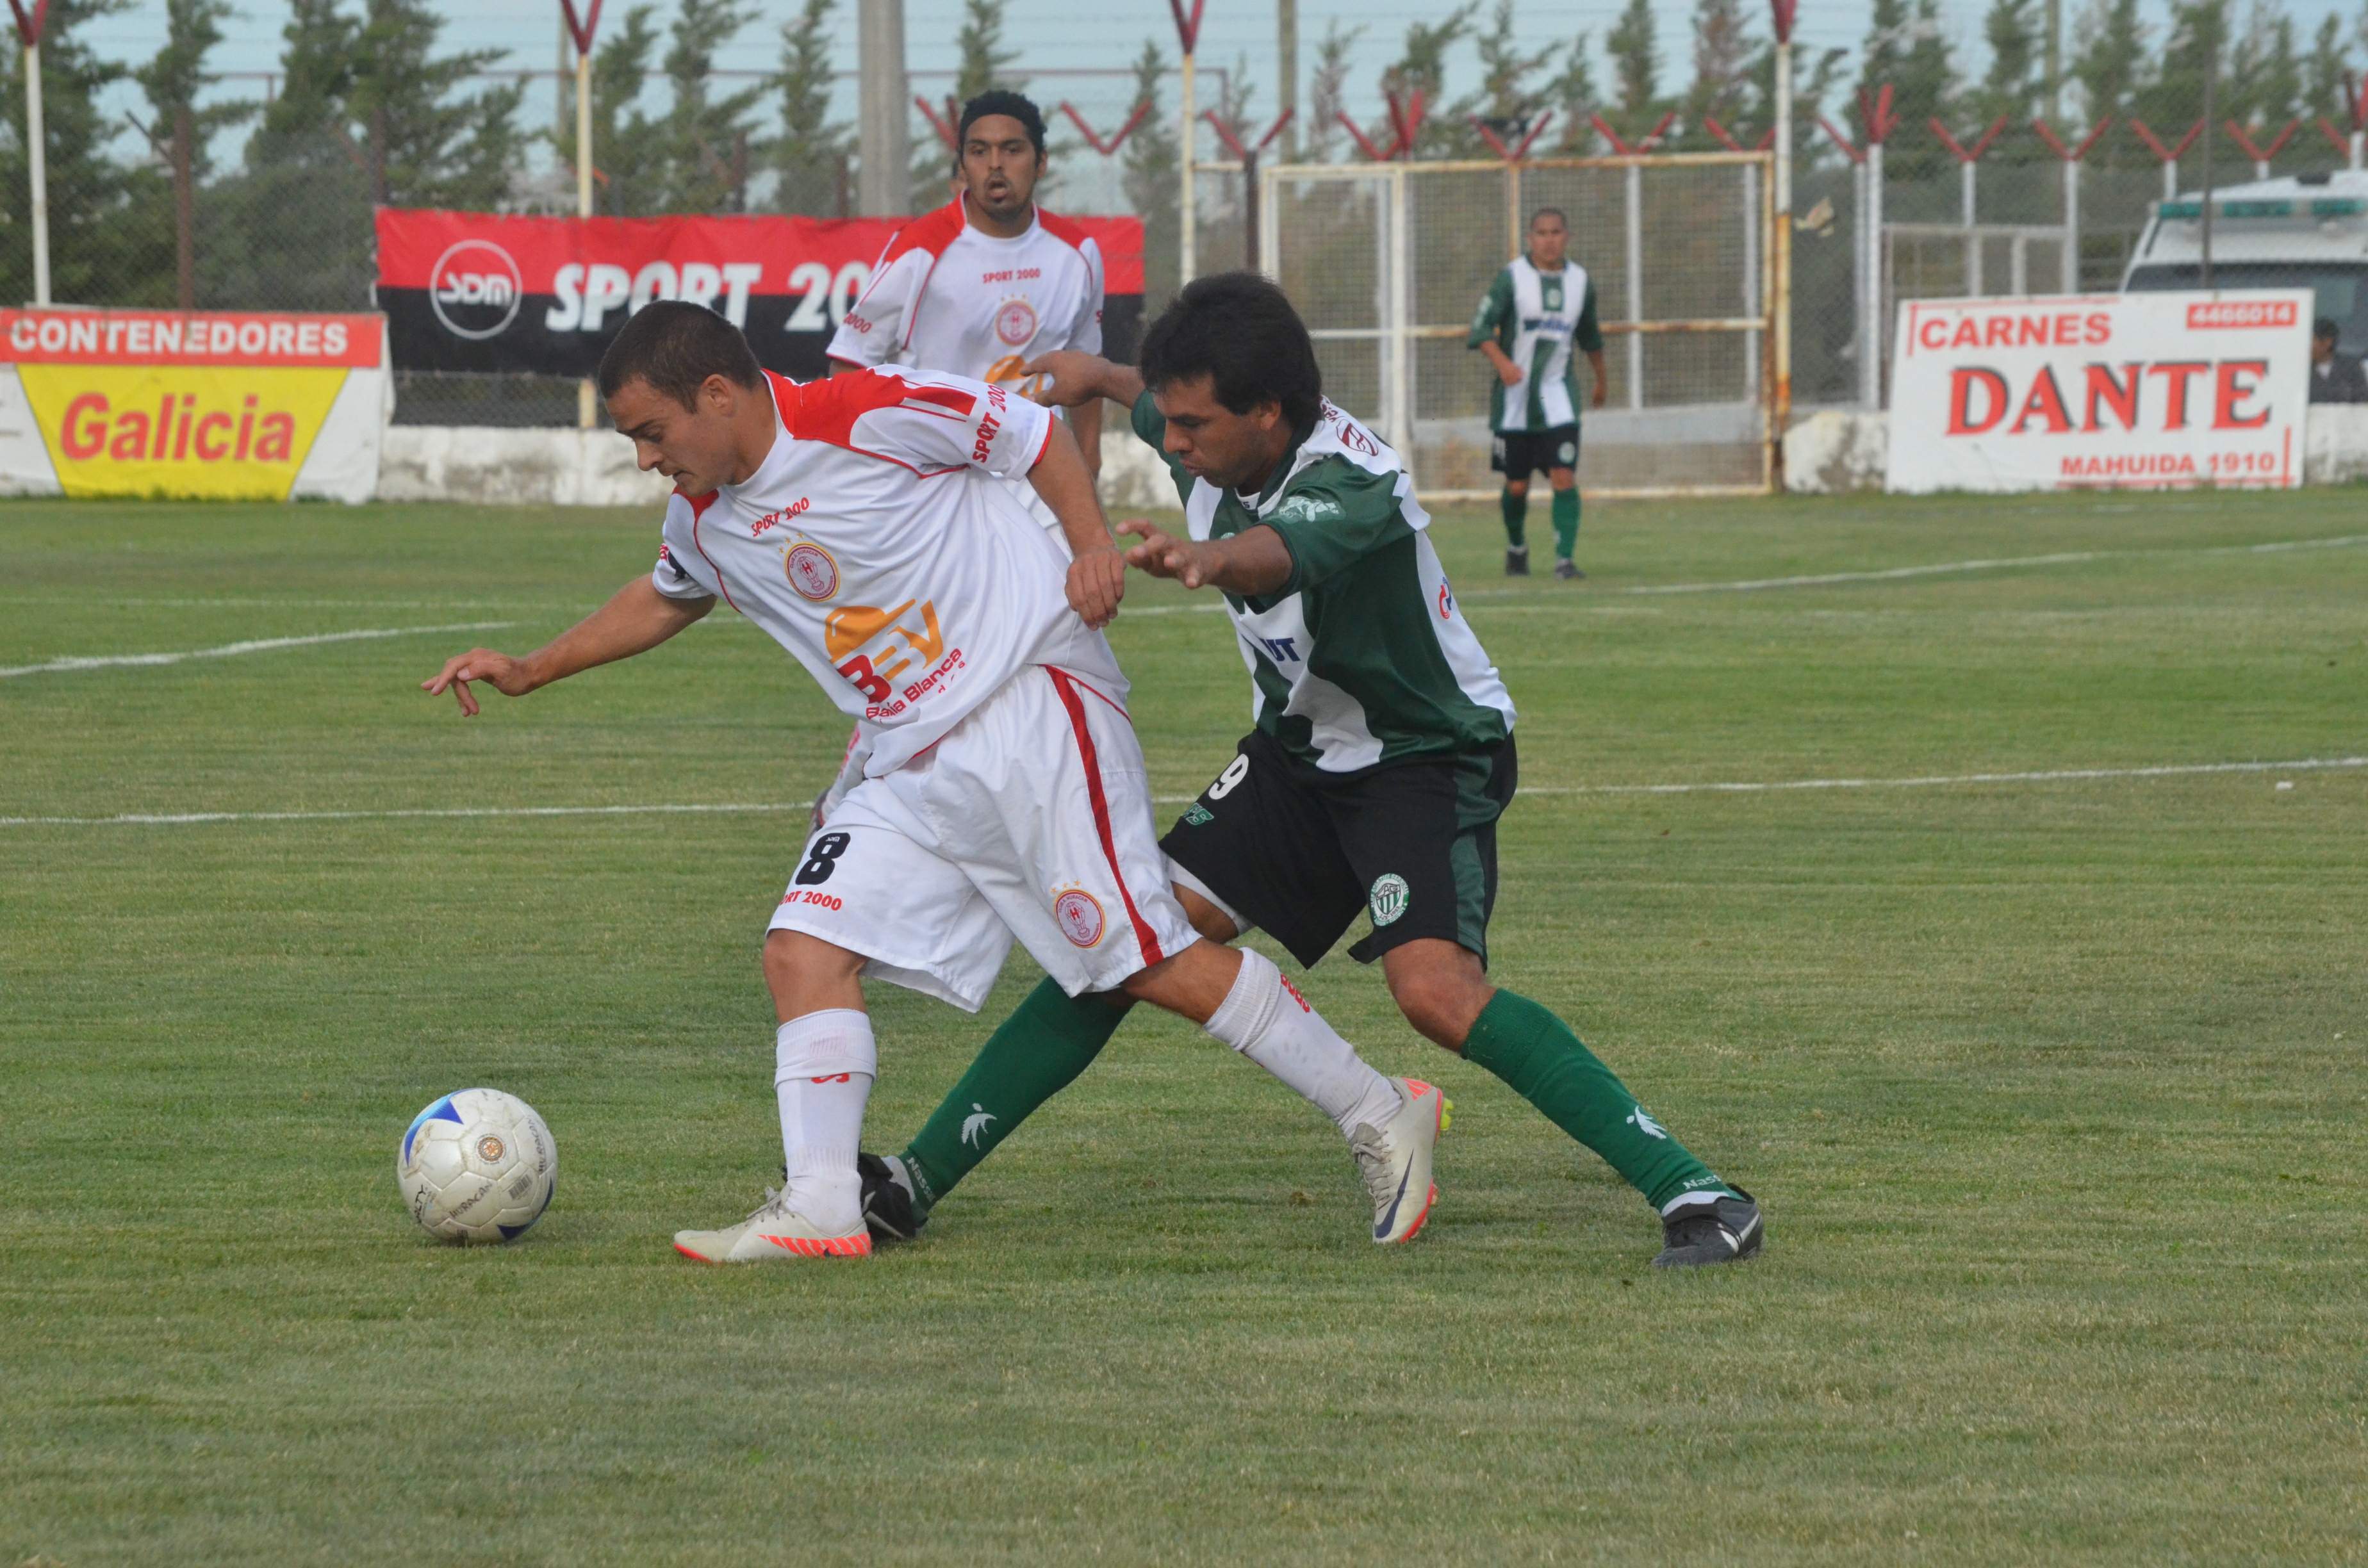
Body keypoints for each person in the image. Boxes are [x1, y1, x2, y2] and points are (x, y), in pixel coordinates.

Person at [420, 301, 1444, 1262]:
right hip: (907, 757)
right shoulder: (702, 520)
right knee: (803, 950)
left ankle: (1378, 1106)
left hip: (1031, 701)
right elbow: (664, 597)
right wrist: (530, 669)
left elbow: (1035, 438)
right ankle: (823, 1202)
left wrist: (1091, 548)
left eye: (652, 432)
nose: (647, 460)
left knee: (1142, 956)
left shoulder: (864, 410)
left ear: (719, 396)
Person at [860, 274, 1763, 1269]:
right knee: (1124, 945)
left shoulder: (1354, 483)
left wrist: (1207, 558)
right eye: (1175, 418)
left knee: (1438, 995)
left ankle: (1698, 1192)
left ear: (1271, 414)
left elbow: (1275, 554)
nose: (1177, 440)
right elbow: (1147, 398)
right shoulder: (1203, 421)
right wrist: (1100, 375)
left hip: (1424, 757)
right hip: (1297, 760)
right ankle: (910, 1183)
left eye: (1197, 425)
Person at [826, 90, 1106, 492]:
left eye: (1012, 150)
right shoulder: (919, 249)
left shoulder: (1078, 253)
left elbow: (1087, 369)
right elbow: (850, 364)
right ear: (963, 165)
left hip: (1039, 473)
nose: (995, 164)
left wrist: (1089, 465)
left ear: (1041, 162)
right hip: (937, 477)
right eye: (979, 151)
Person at [1467, 208, 1605, 581]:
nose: (1549, 240)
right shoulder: (1512, 278)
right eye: (1542, 233)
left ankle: (1565, 560)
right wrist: (1504, 364)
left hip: (1559, 401)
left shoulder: (1580, 282)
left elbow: (1590, 336)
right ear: (1531, 238)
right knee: (1516, 485)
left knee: (1563, 476)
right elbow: (1479, 330)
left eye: (1556, 232)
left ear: (1567, 236)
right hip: (1513, 406)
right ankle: (1517, 547)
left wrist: (1601, 381)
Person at [2308, 316, 2367, 404]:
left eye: (2312, 340)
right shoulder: (2303, 370)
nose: (2307, 345)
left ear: (2327, 342)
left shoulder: (2351, 368)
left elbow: (2362, 401)